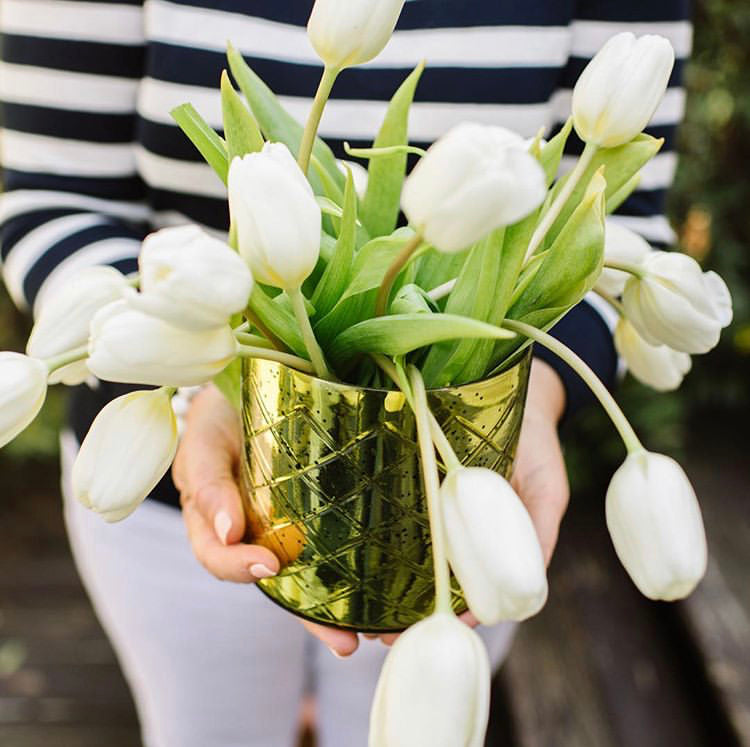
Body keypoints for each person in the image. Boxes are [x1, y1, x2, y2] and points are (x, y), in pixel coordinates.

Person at [0, 1, 691, 745]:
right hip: (179, 482)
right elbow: (54, 197)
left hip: (455, 502)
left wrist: (523, 405)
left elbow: (616, 223)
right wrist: (209, 382)